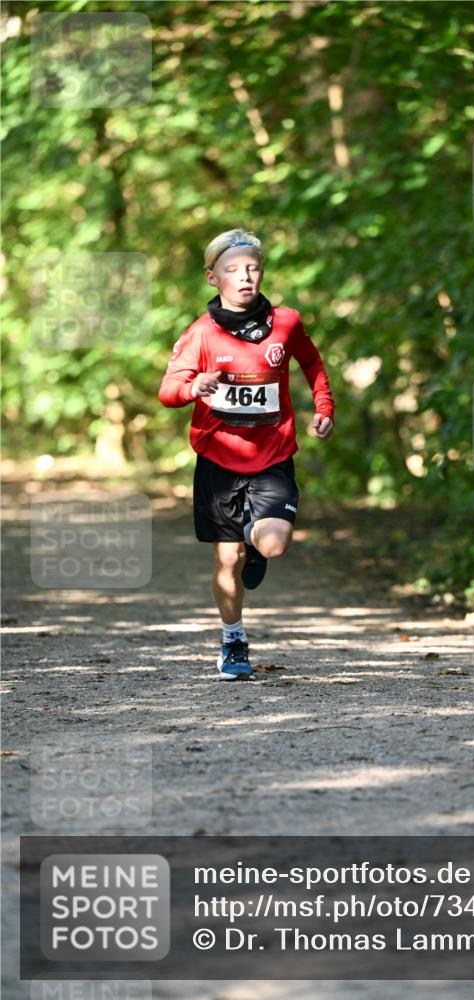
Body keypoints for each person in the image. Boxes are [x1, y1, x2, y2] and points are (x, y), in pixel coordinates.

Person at [158, 228, 335, 681]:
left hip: (272, 454)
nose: (245, 277)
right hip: (218, 461)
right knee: (227, 560)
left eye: (253, 268)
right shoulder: (200, 334)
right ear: (212, 277)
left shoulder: (287, 323)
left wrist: (323, 407)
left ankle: (257, 533)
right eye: (233, 270)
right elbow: (167, 391)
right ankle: (233, 641)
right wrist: (192, 387)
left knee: (272, 544)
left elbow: (311, 364)